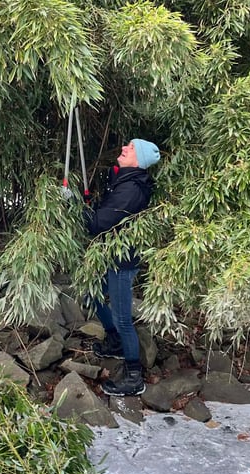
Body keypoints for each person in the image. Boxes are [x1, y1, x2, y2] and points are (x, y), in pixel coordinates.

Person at [85, 139, 159, 396]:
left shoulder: (131, 189)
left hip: (122, 260)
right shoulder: (124, 181)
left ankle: (134, 375)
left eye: (130, 148)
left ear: (138, 159)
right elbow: (105, 212)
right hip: (111, 254)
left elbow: (100, 222)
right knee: (91, 294)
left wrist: (77, 209)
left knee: (123, 318)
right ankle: (114, 341)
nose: (124, 149)